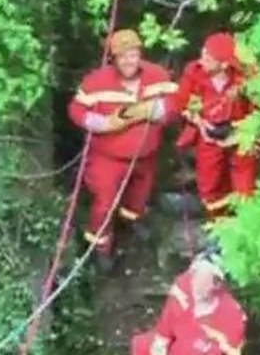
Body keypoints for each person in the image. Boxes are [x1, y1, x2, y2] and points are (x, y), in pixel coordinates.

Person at [68, 28, 179, 273]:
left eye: (134, 55)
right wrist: (103, 123)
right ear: (113, 59)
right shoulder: (96, 82)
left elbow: (176, 103)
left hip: (145, 155)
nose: (130, 61)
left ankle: (131, 221)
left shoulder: (157, 76)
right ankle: (100, 248)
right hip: (108, 157)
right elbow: (76, 111)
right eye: (123, 56)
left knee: (139, 195)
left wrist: (155, 110)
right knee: (104, 203)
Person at [173, 32, 260, 220]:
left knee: (245, 180)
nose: (203, 58)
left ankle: (246, 223)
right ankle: (218, 222)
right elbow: (181, 103)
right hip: (209, 133)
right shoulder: (194, 73)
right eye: (204, 51)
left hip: (240, 133)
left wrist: (243, 131)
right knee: (209, 181)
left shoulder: (243, 79)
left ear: (224, 64)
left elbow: (259, 108)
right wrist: (200, 123)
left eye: (209, 56)